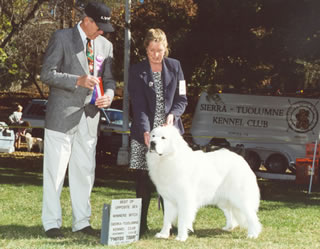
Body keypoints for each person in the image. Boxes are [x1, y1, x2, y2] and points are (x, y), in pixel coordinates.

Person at [40, 1, 116, 239]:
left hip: (90, 116)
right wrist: (77, 80)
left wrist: (110, 96)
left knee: (85, 171)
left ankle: (81, 222)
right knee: (56, 171)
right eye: (100, 26)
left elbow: (110, 80)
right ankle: (51, 223)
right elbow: (46, 74)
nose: (102, 32)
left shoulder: (106, 45)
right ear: (87, 21)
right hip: (61, 116)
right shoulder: (62, 37)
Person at [128, 28, 188, 236]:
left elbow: (182, 99)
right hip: (143, 133)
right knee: (143, 179)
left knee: (172, 181)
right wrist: (146, 130)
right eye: (152, 50)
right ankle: (140, 225)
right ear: (146, 48)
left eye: (159, 50)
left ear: (165, 49)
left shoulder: (176, 67)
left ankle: (170, 226)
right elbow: (138, 105)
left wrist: (173, 115)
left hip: (170, 136)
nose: (155, 54)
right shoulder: (137, 71)